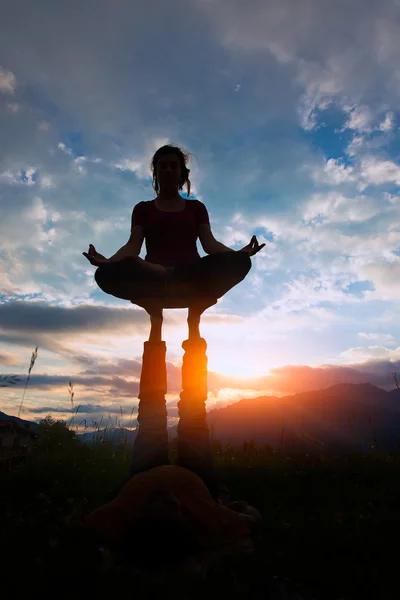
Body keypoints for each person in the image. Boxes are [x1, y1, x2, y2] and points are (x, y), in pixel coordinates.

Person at [83, 144, 265, 580]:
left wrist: (235, 255)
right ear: (156, 173)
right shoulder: (143, 208)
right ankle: (177, 313)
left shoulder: (196, 206)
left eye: (173, 165)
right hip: (156, 274)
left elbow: (208, 244)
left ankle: (168, 314)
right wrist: (109, 263)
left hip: (186, 274)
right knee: (194, 418)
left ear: (182, 174)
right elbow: (132, 246)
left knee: (151, 419)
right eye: (161, 164)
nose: (167, 169)